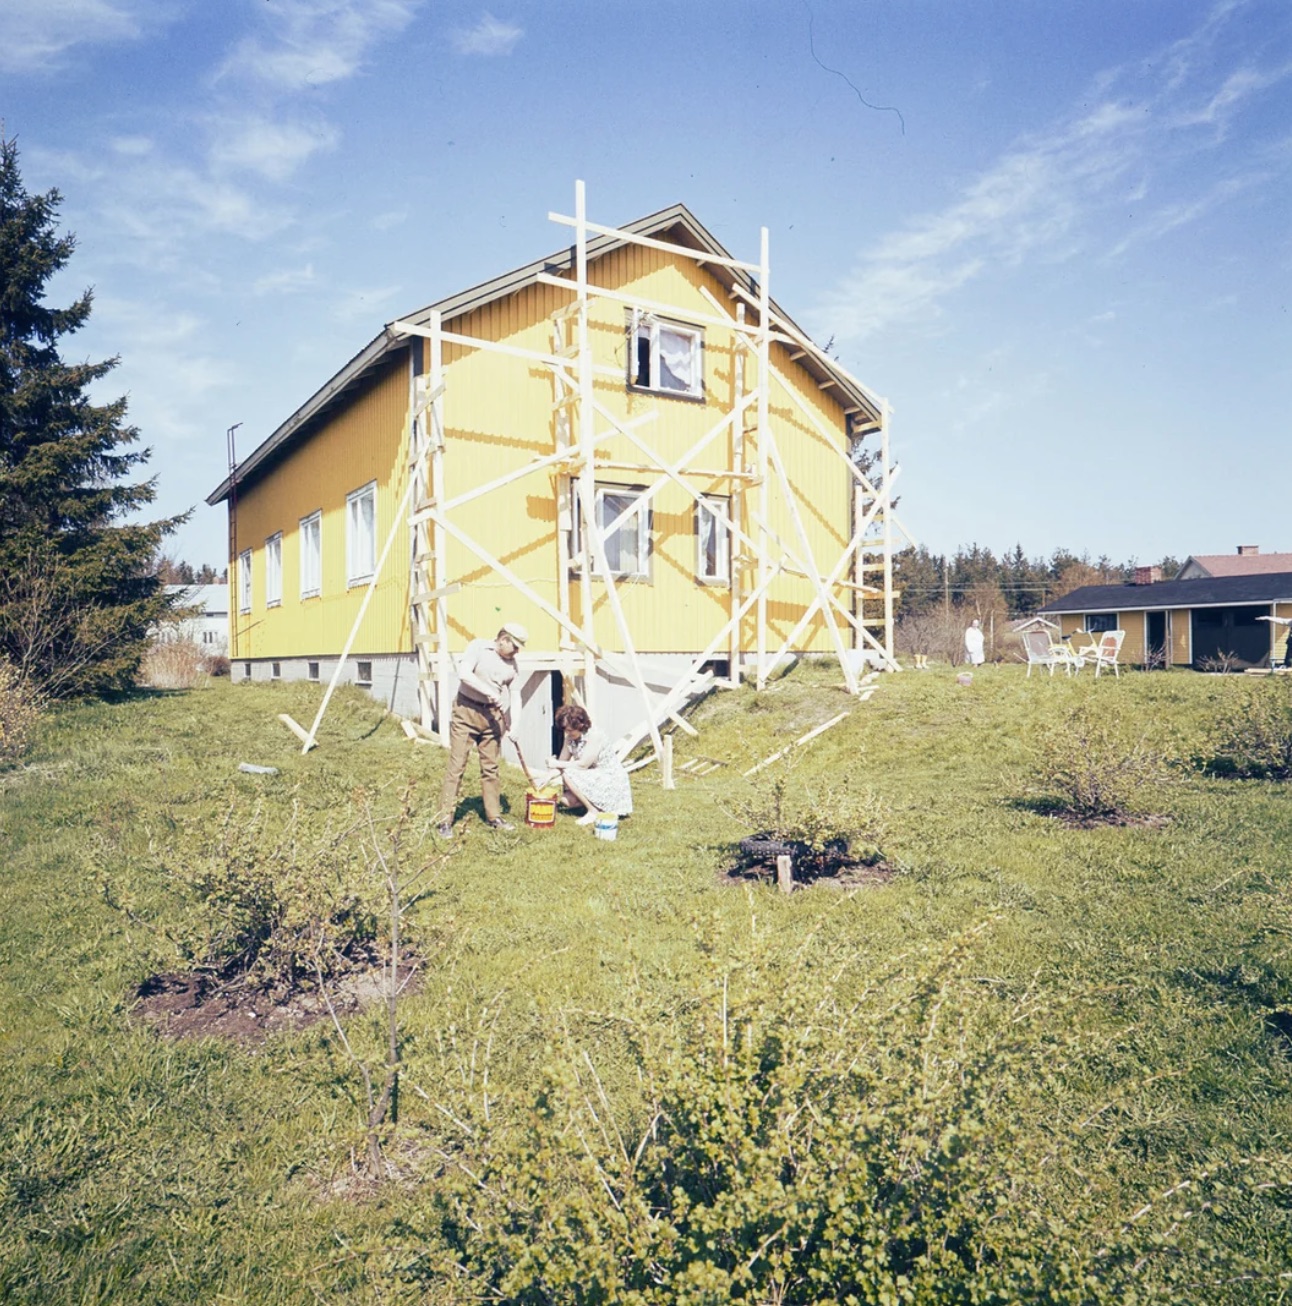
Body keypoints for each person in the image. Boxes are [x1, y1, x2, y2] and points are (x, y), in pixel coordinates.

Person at [437, 622, 528, 837]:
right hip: (466, 712)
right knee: (457, 766)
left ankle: (494, 816)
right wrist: (490, 692)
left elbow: (516, 696)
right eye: (514, 646)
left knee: (491, 769)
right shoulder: (478, 647)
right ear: (503, 639)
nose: (516, 651)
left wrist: (516, 724)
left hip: (492, 719)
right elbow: (464, 674)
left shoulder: (513, 665)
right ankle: (444, 821)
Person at [546, 703, 633, 826]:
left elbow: (583, 765)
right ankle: (599, 806)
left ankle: (593, 811)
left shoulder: (594, 736)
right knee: (566, 800)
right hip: (591, 777)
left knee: (568, 773)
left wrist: (555, 763)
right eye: (565, 729)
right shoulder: (569, 739)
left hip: (608, 777)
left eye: (570, 730)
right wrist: (547, 778)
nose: (567, 733)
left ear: (581, 725)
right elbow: (562, 763)